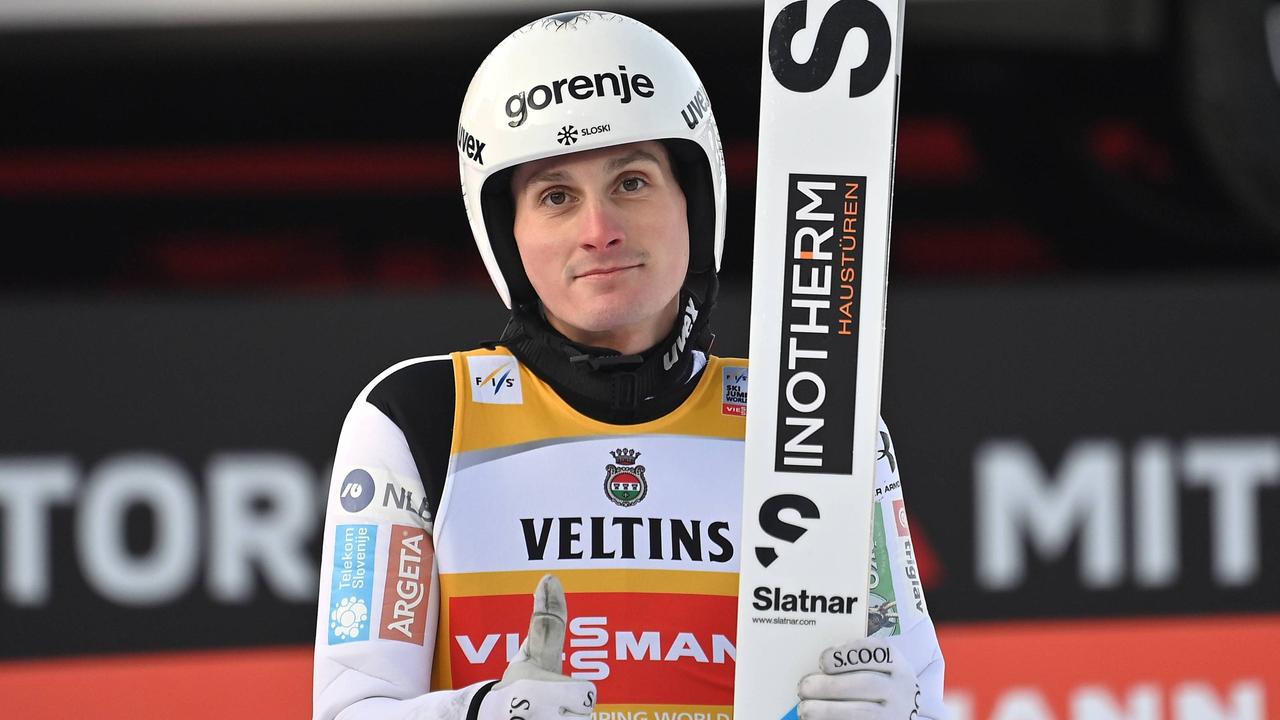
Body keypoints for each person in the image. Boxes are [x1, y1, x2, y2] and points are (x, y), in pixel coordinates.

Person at [314, 10, 946, 720]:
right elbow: (350, 710)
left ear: (693, 202)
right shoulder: (420, 417)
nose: (600, 231)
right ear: (507, 233)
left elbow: (919, 691)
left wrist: (905, 713)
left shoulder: (809, 416)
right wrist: (482, 712)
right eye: (556, 197)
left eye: (632, 183)